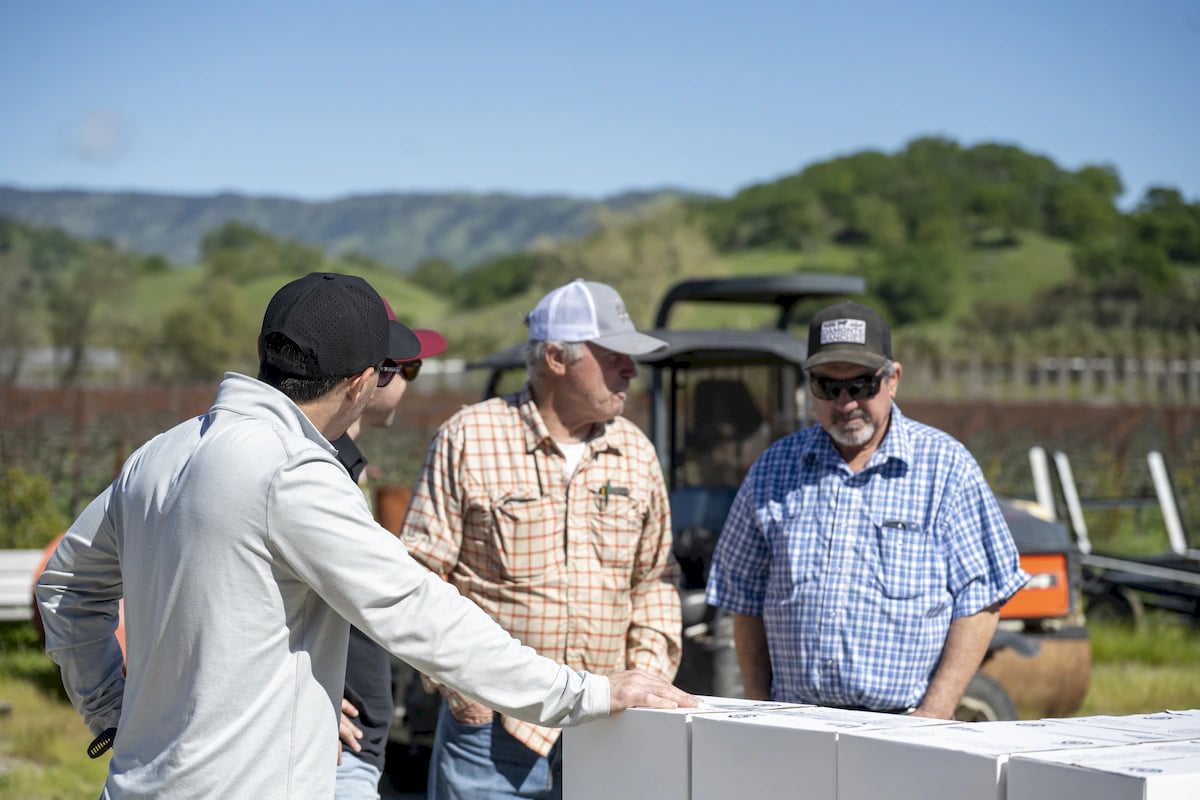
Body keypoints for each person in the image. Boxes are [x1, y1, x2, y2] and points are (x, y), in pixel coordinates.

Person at [35, 272, 696, 800]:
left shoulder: (162, 453)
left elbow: (65, 587)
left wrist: (112, 715)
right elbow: (417, 612)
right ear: (359, 382)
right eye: (391, 371)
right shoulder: (292, 473)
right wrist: (588, 693)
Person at [400, 278, 683, 799]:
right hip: (492, 736)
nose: (631, 370)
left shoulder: (637, 454)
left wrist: (646, 678)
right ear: (556, 357)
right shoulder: (468, 438)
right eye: (615, 355)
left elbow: (655, 580)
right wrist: (465, 692)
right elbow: (420, 577)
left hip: (609, 728)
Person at [705, 300, 1029, 718]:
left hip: (899, 727)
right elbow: (743, 596)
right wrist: (761, 708)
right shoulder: (773, 470)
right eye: (828, 387)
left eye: (860, 386)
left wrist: (934, 714)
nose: (845, 403)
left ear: (892, 379)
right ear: (809, 386)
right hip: (793, 722)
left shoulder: (945, 468)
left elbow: (981, 600)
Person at [333, 300, 448, 800]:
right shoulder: (313, 472)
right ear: (369, 376)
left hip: (351, 753)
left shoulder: (338, 464)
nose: (408, 381)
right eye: (408, 368)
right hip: (331, 756)